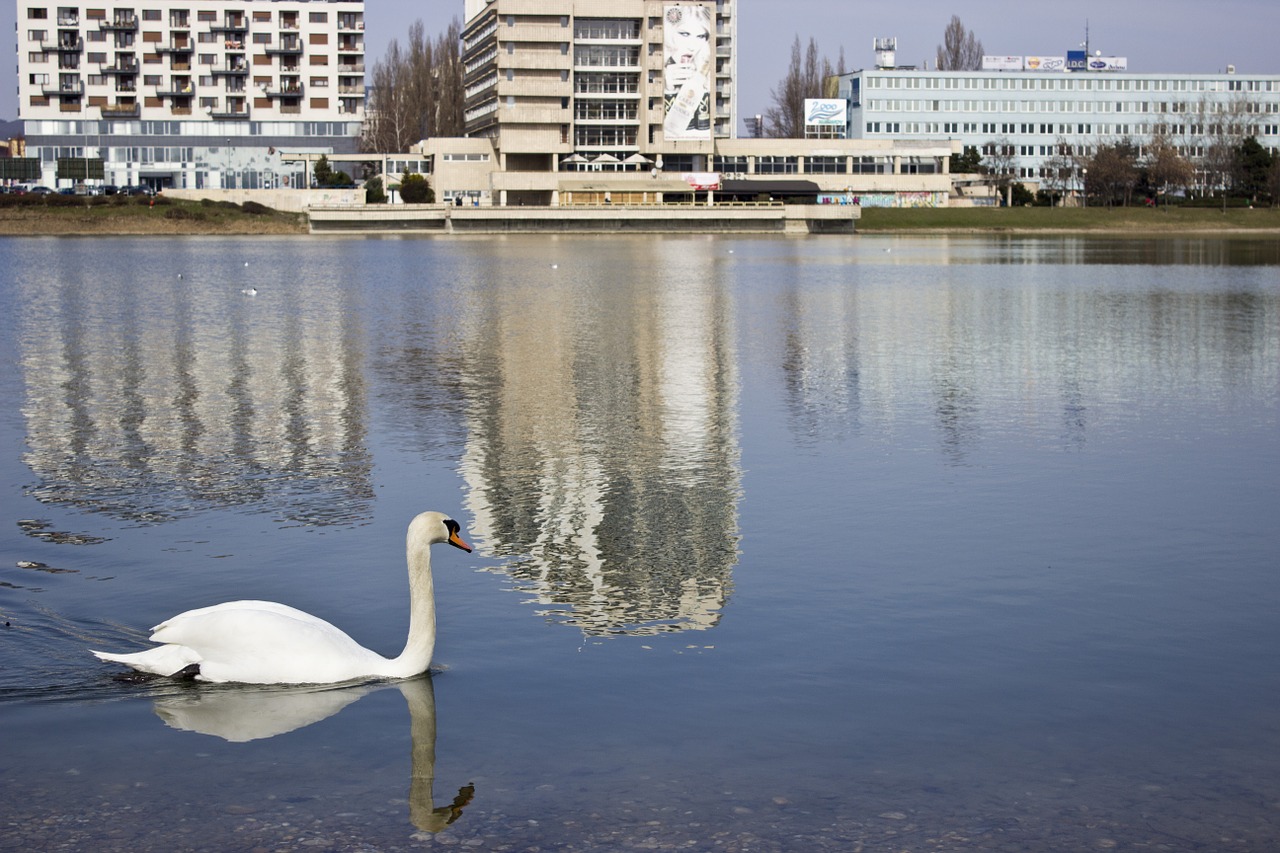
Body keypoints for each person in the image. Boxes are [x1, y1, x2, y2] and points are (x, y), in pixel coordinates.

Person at [662, 6, 712, 140]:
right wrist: (666, 88)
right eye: (684, 34)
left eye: (701, 36)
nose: (692, 46)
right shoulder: (655, 70)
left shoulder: (705, 72)